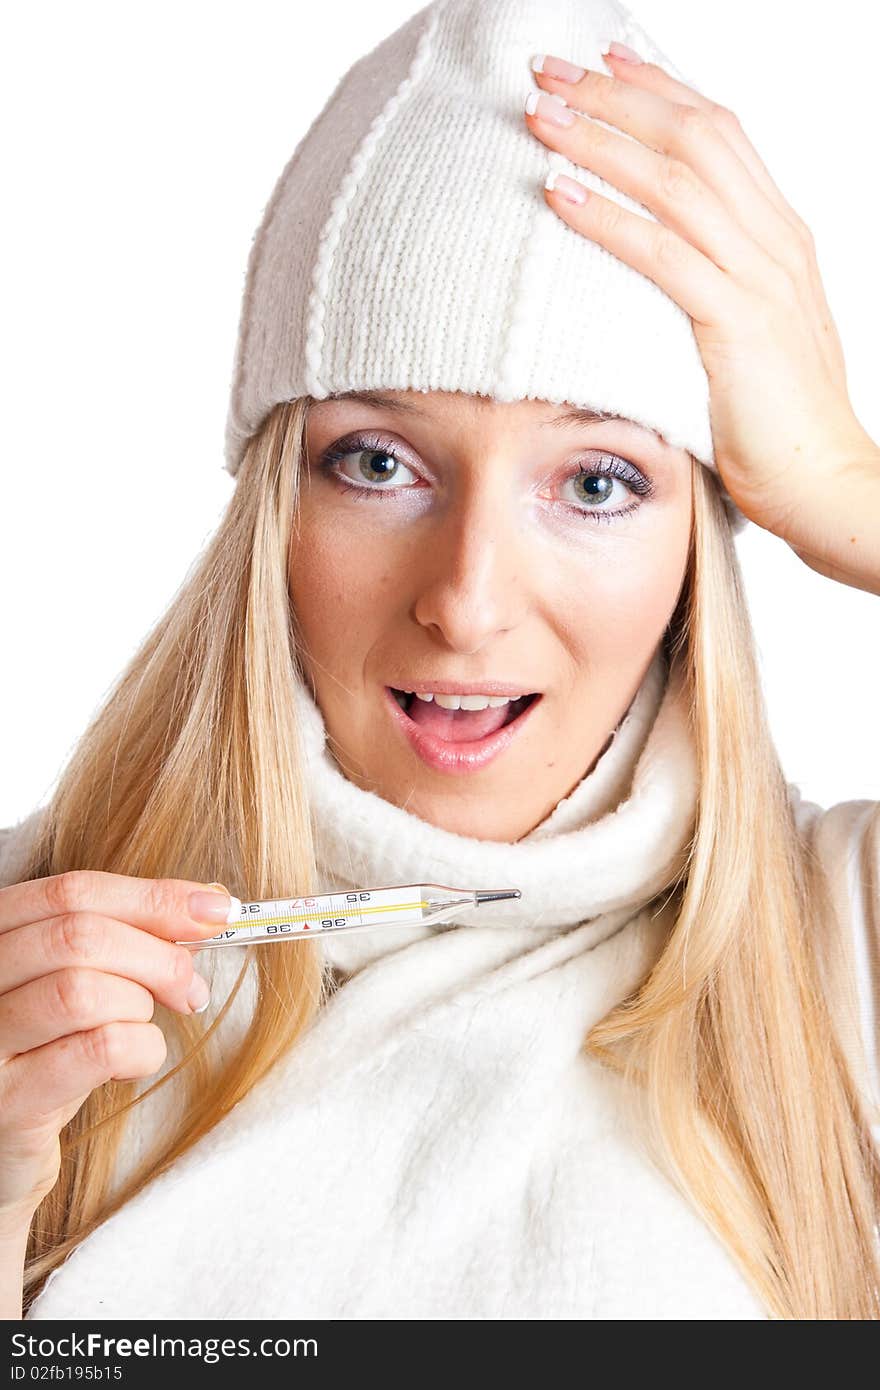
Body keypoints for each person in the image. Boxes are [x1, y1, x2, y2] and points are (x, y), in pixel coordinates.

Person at [2, 0, 879, 1321]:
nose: (466, 603)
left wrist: (843, 483)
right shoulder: (33, 959)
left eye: (595, 480)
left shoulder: (839, 956)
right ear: (274, 506)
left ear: (705, 534)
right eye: (377, 463)